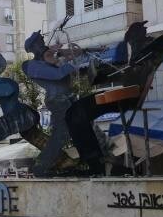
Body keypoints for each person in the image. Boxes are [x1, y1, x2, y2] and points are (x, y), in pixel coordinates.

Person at [22, 31, 105, 176]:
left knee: (81, 129)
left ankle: (92, 161)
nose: (44, 44)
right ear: (33, 48)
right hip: (58, 101)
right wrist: (72, 61)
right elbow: (58, 74)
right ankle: (41, 166)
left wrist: (83, 54)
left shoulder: (49, 60)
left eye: (42, 41)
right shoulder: (32, 65)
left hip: (69, 98)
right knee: (62, 135)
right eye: (40, 42)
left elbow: (68, 72)